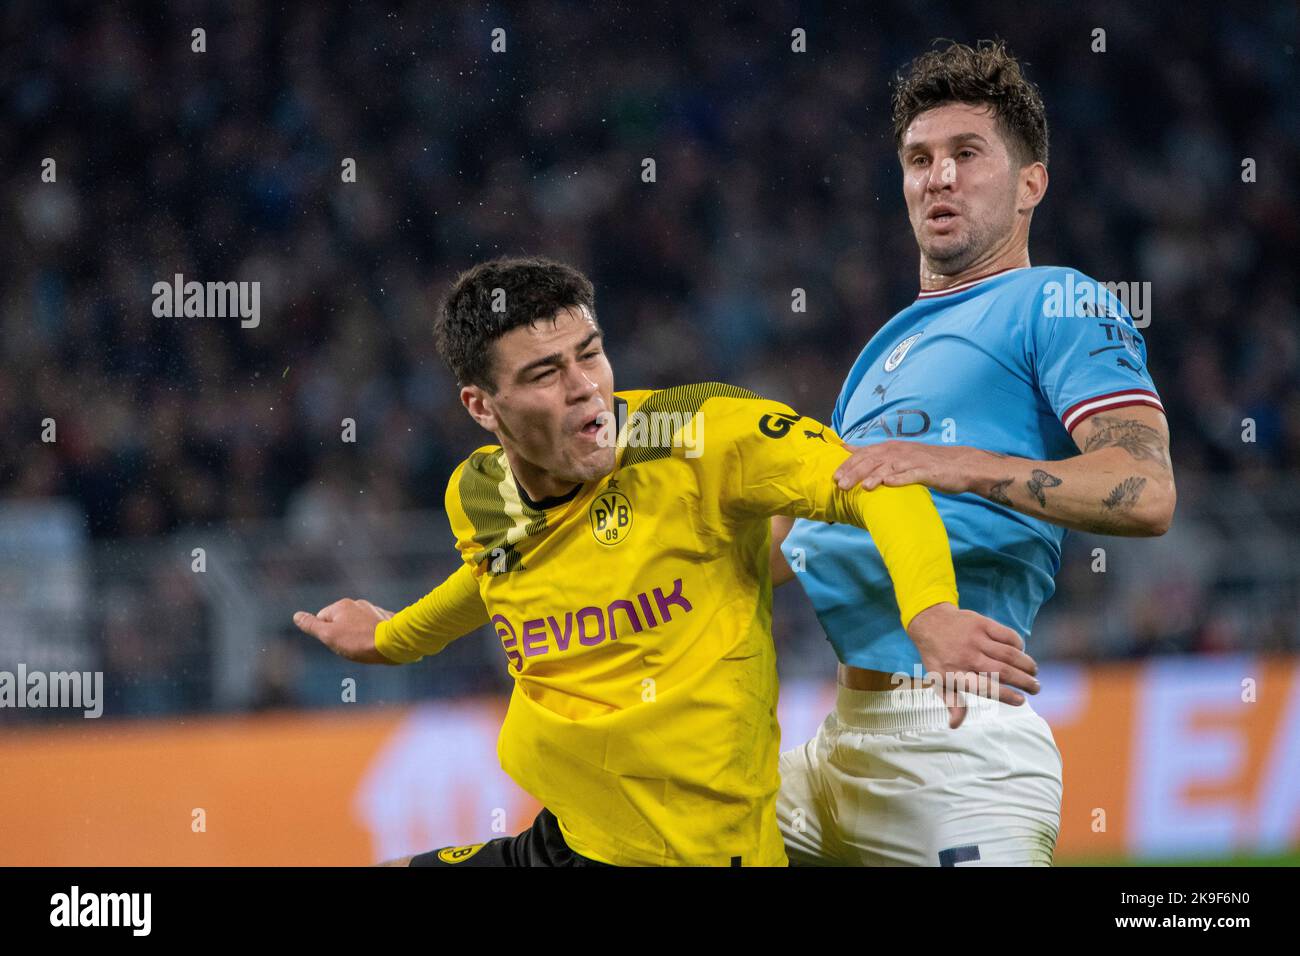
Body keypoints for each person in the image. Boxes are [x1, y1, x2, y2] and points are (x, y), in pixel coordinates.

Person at [293, 256, 1038, 867]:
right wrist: (394, 638)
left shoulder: (703, 437)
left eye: (590, 354)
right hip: (568, 842)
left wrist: (930, 610)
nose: (586, 386)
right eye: (545, 373)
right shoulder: (478, 492)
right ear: (482, 407)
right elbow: (492, 575)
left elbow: (881, 486)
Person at [771, 39, 1176, 866]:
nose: (939, 177)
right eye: (919, 159)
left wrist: (954, 465)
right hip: (834, 742)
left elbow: (1144, 489)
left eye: (966, 154)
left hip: (956, 745)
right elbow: (805, 538)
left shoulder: (1055, 299)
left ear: (1032, 183)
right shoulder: (880, 353)